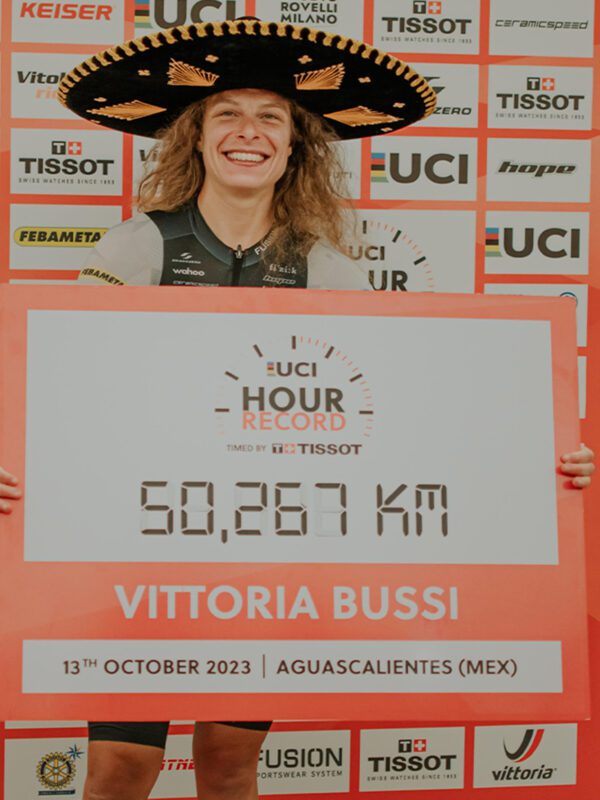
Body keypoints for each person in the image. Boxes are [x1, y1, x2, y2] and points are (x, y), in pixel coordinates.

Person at [0, 16, 596, 800]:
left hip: (260, 564)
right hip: (137, 557)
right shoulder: (136, 246)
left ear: (295, 146)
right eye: (227, 114)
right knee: (120, 768)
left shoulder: (330, 270)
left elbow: (408, 415)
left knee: (228, 762)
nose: (248, 132)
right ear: (196, 137)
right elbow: (67, 388)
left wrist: (539, 463)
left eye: (271, 118)